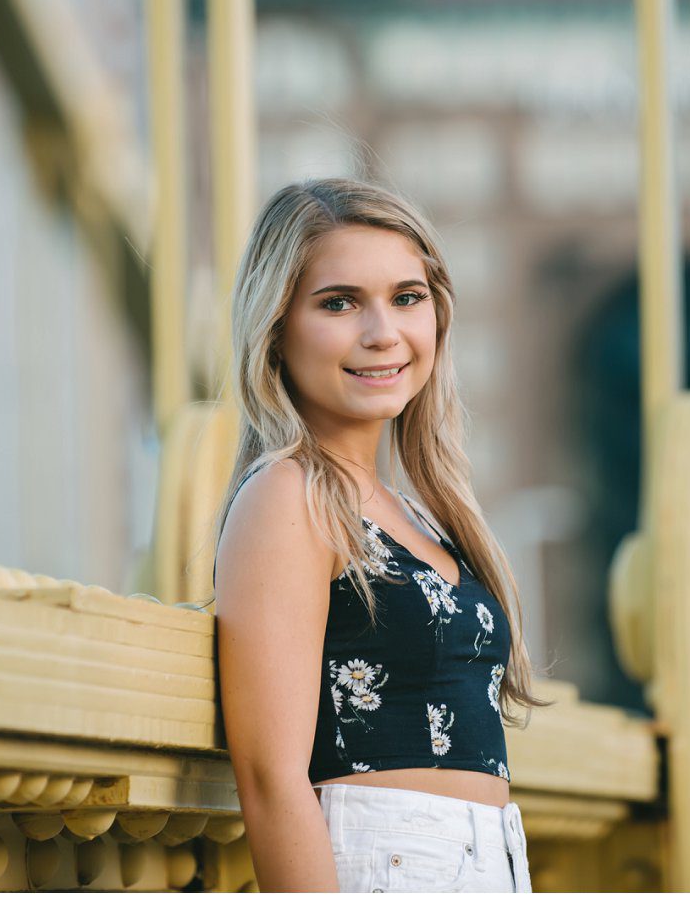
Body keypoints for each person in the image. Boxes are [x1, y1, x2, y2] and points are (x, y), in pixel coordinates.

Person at [212, 180, 539, 893]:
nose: (382, 331)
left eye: (406, 296)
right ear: (276, 326)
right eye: (339, 302)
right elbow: (271, 780)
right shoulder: (286, 496)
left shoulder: (420, 512)